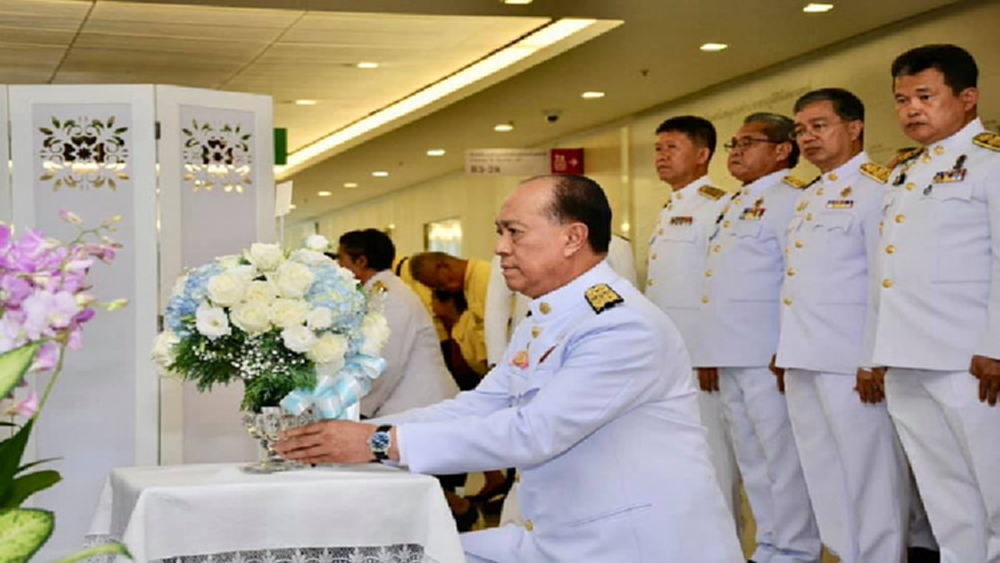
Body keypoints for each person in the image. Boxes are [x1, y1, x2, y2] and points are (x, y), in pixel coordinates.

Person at [277, 174, 744, 562]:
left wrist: (378, 443)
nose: (499, 248)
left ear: (572, 238)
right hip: (563, 534)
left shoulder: (622, 326)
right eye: (500, 232)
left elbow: (534, 432)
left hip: (634, 543)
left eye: (514, 232)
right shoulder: (549, 313)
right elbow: (482, 404)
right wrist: (356, 432)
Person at [871, 44, 1000, 562]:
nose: (911, 110)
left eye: (925, 96)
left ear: (968, 98)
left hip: (969, 359)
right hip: (908, 357)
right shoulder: (906, 171)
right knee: (944, 493)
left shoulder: (990, 163)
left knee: (992, 487)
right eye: (902, 100)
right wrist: (879, 353)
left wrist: (995, 345)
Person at [775, 88, 915, 563]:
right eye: (800, 130)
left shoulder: (877, 188)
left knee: (870, 476)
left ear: (854, 127)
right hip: (804, 356)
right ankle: (845, 553)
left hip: (850, 359)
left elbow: (885, 278)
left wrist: (871, 358)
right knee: (823, 473)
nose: (807, 138)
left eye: (819, 126)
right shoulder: (811, 194)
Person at [695, 113, 820, 563]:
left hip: (767, 351)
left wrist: (787, 347)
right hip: (731, 351)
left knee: (781, 458)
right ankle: (770, 543)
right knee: (752, 458)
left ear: (783, 150)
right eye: (734, 142)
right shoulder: (735, 202)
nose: (736, 151)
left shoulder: (790, 199)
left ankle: (797, 547)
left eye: (749, 142)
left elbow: (797, 278)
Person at [644, 115, 742, 524]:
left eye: (672, 148)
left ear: (703, 155)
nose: (662, 157)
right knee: (680, 455)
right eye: (658, 149)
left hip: (701, 357)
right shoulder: (670, 207)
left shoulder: (717, 206)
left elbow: (720, 285)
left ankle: (723, 544)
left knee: (714, 457)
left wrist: (709, 351)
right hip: (671, 356)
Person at [333, 229, 460, 418]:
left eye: (341, 258)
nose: (338, 265)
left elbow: (385, 363)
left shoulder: (391, 298)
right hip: (404, 406)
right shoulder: (379, 293)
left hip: (420, 406)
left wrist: (359, 409)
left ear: (361, 261)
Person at [485, 233, 637, 367]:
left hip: (595, 349)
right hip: (530, 349)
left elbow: (627, 305)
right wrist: (497, 359)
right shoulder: (513, 247)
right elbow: (496, 307)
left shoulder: (616, 246)